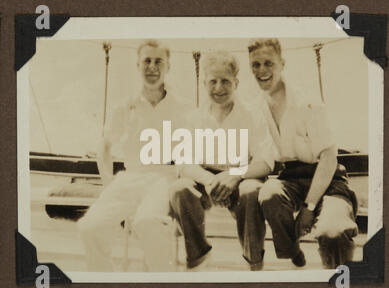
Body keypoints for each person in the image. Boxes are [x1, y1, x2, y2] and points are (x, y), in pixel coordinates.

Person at [77, 40, 190, 272]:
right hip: (130, 177)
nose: (152, 67)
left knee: (147, 222)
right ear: (138, 65)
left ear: (168, 66)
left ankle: (164, 285)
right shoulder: (124, 106)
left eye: (159, 61)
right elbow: (105, 147)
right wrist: (108, 184)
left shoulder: (182, 107)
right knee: (89, 227)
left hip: (164, 177)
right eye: (147, 61)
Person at [247, 38, 358, 269]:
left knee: (332, 232)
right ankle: (292, 249)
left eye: (268, 63)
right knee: (269, 193)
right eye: (255, 65)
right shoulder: (255, 108)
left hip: (328, 179)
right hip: (291, 179)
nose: (262, 70)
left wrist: (308, 208)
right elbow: (260, 157)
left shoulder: (307, 101)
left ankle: (340, 280)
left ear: (282, 64)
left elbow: (328, 158)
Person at [169, 51, 276, 271]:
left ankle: (254, 262)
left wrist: (234, 176)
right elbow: (183, 161)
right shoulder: (194, 118)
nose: (219, 88)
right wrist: (209, 180)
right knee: (180, 189)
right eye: (213, 81)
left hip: (241, 176)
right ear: (204, 83)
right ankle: (199, 256)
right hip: (205, 179)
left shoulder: (252, 115)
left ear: (236, 82)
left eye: (225, 81)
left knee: (251, 192)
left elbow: (266, 160)